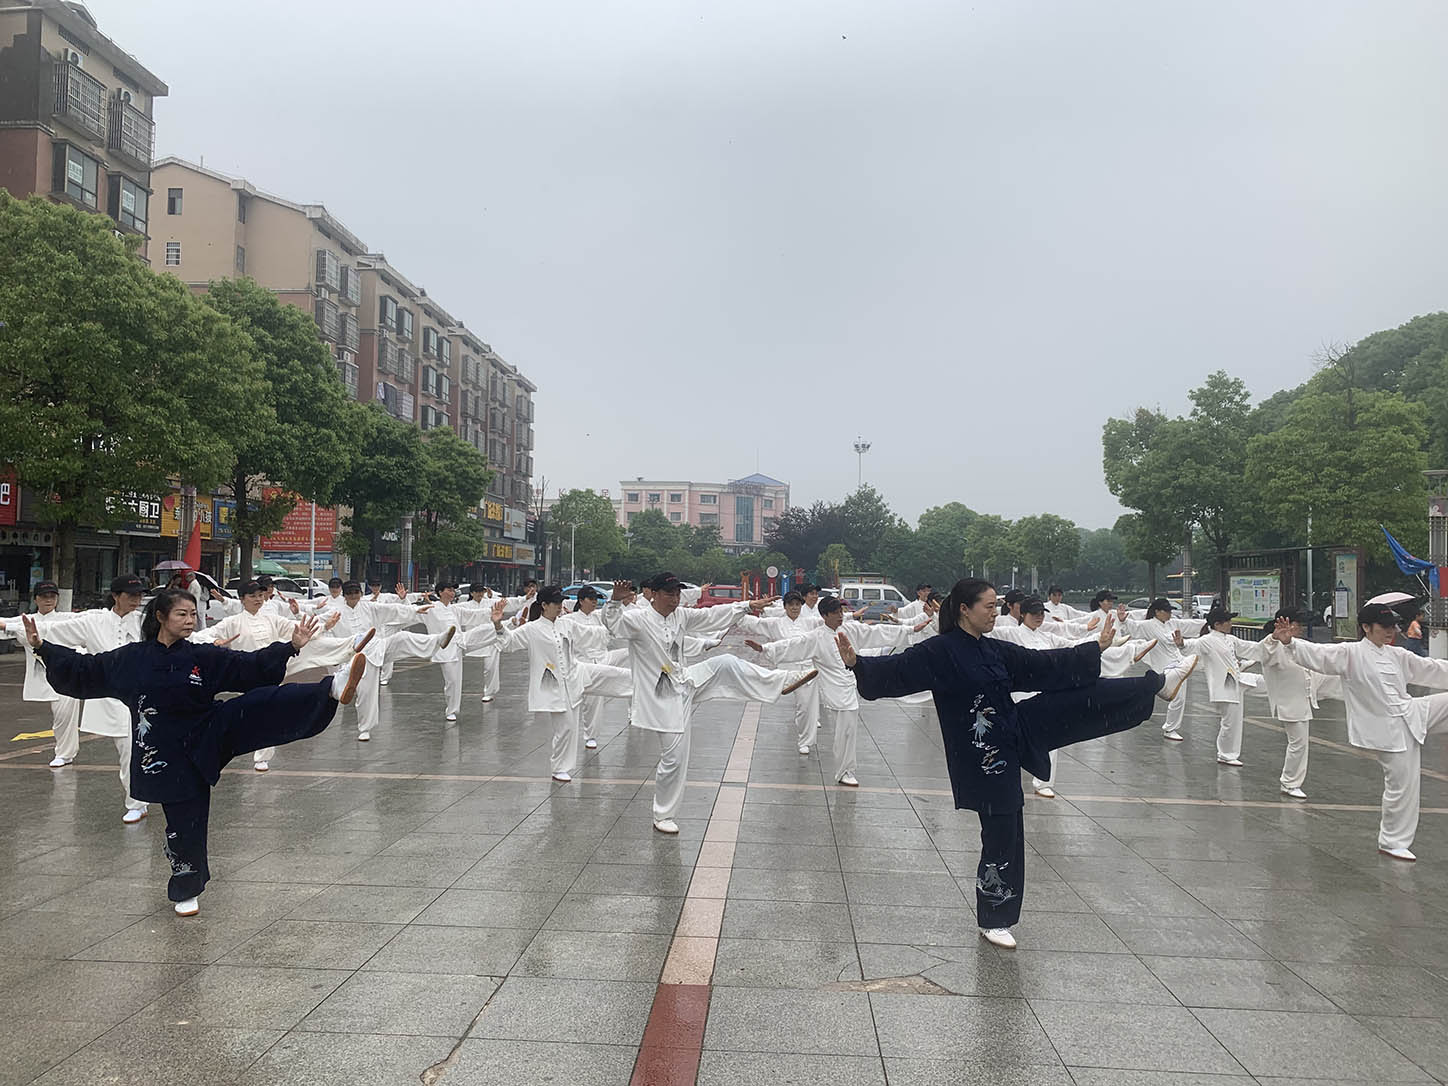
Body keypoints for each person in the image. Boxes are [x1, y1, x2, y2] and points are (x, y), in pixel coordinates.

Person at [838, 578, 1193, 949]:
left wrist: (1095, 648)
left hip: (1016, 727)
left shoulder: (995, 650)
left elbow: (1045, 665)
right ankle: (994, 917)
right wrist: (857, 665)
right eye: (989, 607)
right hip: (982, 756)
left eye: (997, 606)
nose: (996, 613)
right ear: (964, 608)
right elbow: (896, 672)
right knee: (1003, 831)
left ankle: (1156, 686)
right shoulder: (938, 653)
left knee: (1078, 697)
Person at [23, 589, 366, 917]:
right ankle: (186, 889)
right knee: (183, 824)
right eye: (181, 614)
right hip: (163, 754)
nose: (190, 621)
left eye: (192, 614)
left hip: (208, 733)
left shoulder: (201, 655)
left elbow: (248, 666)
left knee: (257, 703)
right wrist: (43, 647)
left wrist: (290, 646)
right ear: (160, 617)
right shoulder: (131, 659)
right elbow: (86, 670)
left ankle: (331, 689)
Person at [604, 573, 817, 834]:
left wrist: (746, 606)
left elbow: (710, 616)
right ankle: (663, 815)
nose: (675, 599)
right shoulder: (638, 619)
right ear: (655, 594)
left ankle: (781, 681)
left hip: (685, 681)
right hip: (660, 697)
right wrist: (613, 602)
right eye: (669, 594)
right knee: (674, 758)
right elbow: (614, 625)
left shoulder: (680, 616)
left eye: (677, 593)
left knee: (726, 663)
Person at [1274, 602, 1448, 861]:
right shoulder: (1350, 653)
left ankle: (1393, 840)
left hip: (1411, 713)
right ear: (1366, 627)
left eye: (1393, 627)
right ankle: (1392, 841)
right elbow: (1320, 654)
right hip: (1384, 729)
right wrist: (1291, 644)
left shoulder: (1398, 655)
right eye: (1384, 627)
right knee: (1402, 784)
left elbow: (1432, 669)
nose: (1391, 632)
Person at [990, 595, 1164, 797]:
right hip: (1020, 694)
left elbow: (1073, 645)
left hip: (1046, 693)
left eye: (1040, 613)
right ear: (1023, 614)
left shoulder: (1047, 637)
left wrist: (1099, 640)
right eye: (1034, 613)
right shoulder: (1008, 633)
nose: (1039, 617)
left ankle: (1043, 782)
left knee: (1048, 737)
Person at [748, 596, 931, 786]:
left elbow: (876, 631)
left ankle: (846, 770)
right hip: (832, 687)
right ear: (824, 615)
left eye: (841, 612)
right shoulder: (816, 636)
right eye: (835, 613)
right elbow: (792, 645)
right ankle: (843, 770)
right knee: (843, 728)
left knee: (848, 730)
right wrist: (765, 648)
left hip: (850, 683)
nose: (839, 616)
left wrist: (910, 629)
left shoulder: (850, 629)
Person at [192, 579, 370, 771]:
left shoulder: (271, 618)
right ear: (242, 599)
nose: (258, 599)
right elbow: (201, 636)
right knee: (260, 713)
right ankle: (259, 755)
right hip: (247, 673)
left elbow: (296, 627)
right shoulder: (232, 622)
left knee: (308, 645)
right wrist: (216, 641)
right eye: (253, 596)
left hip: (274, 665)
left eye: (260, 595)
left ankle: (350, 647)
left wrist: (324, 627)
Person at [34, 574, 151, 822]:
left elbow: (179, 637)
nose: (136, 600)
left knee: (132, 750)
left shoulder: (145, 622)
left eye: (139, 595)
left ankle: (137, 802)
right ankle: (139, 799)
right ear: (116, 596)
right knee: (128, 748)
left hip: (140, 696)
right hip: (106, 695)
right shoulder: (93, 622)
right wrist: (17, 631)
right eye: (131, 595)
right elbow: (52, 630)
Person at [486, 586, 632, 781]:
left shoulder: (566, 624)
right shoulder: (532, 629)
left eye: (561, 602)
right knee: (567, 728)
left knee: (614, 675)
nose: (559, 606)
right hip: (553, 686)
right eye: (555, 603)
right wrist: (498, 624)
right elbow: (508, 643)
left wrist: (614, 616)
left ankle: (650, 686)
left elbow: (593, 634)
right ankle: (559, 768)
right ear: (544, 605)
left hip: (577, 672)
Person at [1254, 608, 1339, 799]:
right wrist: (1275, 638)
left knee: (1299, 743)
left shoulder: (1298, 644)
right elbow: (1265, 657)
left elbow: (1317, 656)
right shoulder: (1271, 645)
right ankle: (1290, 782)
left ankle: (1291, 782)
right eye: (1297, 624)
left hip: (1304, 699)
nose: (1300, 628)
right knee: (1298, 743)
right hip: (1289, 702)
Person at [0, 580, 85, 768]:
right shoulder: (27, 620)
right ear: (36, 599)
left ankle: (64, 753)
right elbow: (4, 624)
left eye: (52, 597)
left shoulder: (68, 618)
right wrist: (12, 627)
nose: (48, 600)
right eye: (44, 597)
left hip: (67, 673)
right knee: (59, 713)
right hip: (42, 675)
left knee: (63, 714)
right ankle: (64, 752)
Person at [1174, 605, 1263, 767]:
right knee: (1231, 721)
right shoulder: (1207, 640)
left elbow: (1250, 647)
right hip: (1223, 687)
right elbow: (1192, 646)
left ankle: (1228, 753)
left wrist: (1272, 642)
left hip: (1236, 681)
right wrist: (1181, 644)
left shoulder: (1231, 639)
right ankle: (1225, 753)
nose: (1230, 624)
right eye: (1227, 621)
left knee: (1260, 684)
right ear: (1217, 624)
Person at [738, 591, 824, 754]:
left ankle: (805, 741)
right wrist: (743, 608)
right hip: (784, 668)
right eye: (791, 604)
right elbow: (750, 623)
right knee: (762, 690)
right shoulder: (776, 623)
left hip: (806, 669)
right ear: (784, 606)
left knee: (806, 708)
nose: (794, 608)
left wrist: (851, 616)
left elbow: (830, 624)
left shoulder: (811, 622)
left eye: (797, 604)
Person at [1117, 597, 1202, 742]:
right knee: (1164, 694)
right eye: (1166, 611)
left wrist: (1208, 623)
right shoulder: (1148, 625)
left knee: (1179, 697)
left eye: (1170, 611)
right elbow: (1133, 626)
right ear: (1157, 612)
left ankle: (1170, 728)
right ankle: (1129, 709)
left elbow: (1189, 624)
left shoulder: (1172, 623)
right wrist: (1123, 620)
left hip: (1178, 664)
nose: (1169, 614)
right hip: (1162, 666)